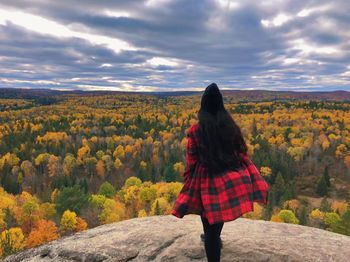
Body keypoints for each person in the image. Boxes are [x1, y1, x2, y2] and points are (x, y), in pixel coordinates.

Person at [171, 83, 270, 262]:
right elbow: (241, 151)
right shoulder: (230, 126)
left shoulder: (196, 130)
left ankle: (212, 241)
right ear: (220, 104)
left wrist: (188, 178)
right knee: (216, 219)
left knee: (208, 222)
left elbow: (192, 158)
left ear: (203, 106)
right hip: (229, 177)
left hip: (207, 179)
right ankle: (214, 237)